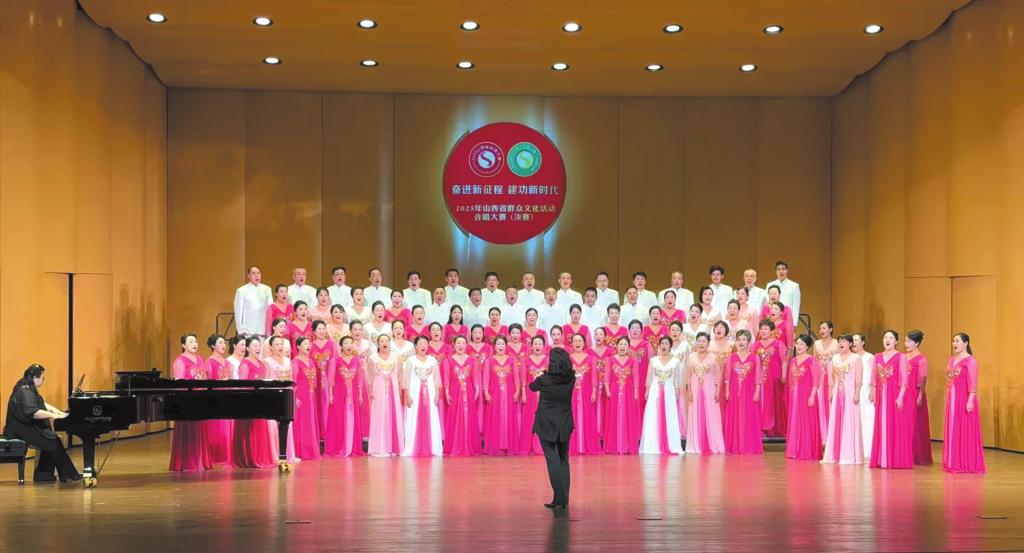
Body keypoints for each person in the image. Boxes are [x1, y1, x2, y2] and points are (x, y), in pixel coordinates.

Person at [3, 365, 81, 483]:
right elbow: (33, 413)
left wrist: (56, 411)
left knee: (49, 437)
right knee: (52, 439)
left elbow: (40, 403)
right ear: (35, 377)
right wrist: (53, 416)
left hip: (22, 425)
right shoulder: (25, 391)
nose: (44, 381)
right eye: (43, 378)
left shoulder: (26, 387)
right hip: (19, 428)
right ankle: (67, 474)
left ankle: (44, 475)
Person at [530, 347, 575, 510]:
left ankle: (559, 498)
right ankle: (564, 498)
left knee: (552, 459)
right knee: (563, 459)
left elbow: (532, 387)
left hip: (547, 423)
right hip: (565, 422)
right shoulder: (571, 378)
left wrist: (539, 375)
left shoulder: (544, 379)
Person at [870, 330, 914, 469]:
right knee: (882, 425)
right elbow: (873, 379)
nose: (887, 340)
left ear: (896, 341)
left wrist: (900, 397)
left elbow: (904, 380)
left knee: (894, 425)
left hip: (894, 395)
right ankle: (882, 458)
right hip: (881, 396)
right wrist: (873, 393)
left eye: (890, 338)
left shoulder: (901, 357)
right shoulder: (877, 357)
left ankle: (894, 458)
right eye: (885, 338)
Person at [169, 334, 214, 471]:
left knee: (200, 429)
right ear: (183, 345)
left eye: (195, 341)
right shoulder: (180, 361)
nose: (194, 344)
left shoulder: (200, 359)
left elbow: (204, 379)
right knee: (188, 430)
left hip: (199, 399)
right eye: (190, 341)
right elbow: (179, 384)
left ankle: (201, 460)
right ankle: (188, 462)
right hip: (187, 401)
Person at [943, 333, 985, 473]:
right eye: (953, 341)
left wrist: (970, 400)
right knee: (953, 429)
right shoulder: (951, 360)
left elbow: (973, 383)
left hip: (964, 398)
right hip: (952, 399)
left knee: (964, 430)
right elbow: (949, 381)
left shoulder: (971, 361)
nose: (954, 343)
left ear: (965, 343)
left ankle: (965, 462)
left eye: (957, 341)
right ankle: (953, 461)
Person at [232, 337, 276, 468]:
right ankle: (249, 458)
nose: (258, 348)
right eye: (254, 345)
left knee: (260, 428)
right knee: (249, 430)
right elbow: (243, 384)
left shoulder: (262, 364)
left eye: (259, 345)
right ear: (247, 348)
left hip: (260, 400)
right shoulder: (245, 363)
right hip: (249, 401)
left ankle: (260, 456)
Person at [822, 334, 863, 465]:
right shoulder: (834, 358)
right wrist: (830, 391)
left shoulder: (856, 358)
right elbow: (831, 378)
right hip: (836, 393)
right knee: (836, 421)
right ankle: (835, 454)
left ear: (850, 344)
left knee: (849, 421)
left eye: (844, 341)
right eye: (840, 341)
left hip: (850, 393)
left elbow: (858, 379)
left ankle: (848, 454)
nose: (841, 343)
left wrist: (857, 393)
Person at [639, 337, 684, 455]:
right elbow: (649, 377)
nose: (664, 345)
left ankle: (671, 444)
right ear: (659, 345)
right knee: (653, 415)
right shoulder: (653, 361)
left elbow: (677, 380)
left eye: (666, 344)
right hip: (655, 391)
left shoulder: (675, 361)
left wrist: (676, 394)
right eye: (662, 343)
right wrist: (647, 390)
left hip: (669, 391)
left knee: (669, 416)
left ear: (670, 346)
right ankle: (652, 445)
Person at [323, 336, 365, 458]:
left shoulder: (357, 360)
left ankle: (353, 447)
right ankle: (339, 446)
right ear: (341, 346)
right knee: (338, 419)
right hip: (339, 394)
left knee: (353, 418)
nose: (349, 345)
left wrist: (360, 393)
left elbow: (360, 378)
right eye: (346, 343)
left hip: (354, 394)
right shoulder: (335, 361)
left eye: (351, 343)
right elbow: (331, 380)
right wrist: (331, 395)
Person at [401, 336, 443, 457]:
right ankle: (412, 446)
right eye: (420, 343)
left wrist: (437, 393)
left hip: (430, 392)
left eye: (425, 343)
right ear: (415, 346)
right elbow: (406, 379)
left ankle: (433, 447)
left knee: (431, 417)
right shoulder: (411, 360)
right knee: (413, 417)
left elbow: (436, 378)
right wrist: (407, 395)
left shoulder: (432, 360)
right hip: (414, 392)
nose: (423, 346)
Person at [723, 330, 763, 455]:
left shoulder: (754, 357)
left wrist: (757, 392)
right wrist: (727, 390)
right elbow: (727, 376)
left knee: (749, 418)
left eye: (744, 339)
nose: (741, 342)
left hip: (750, 391)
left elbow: (758, 377)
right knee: (734, 417)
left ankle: (748, 445)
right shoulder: (731, 357)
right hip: (734, 391)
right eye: (739, 339)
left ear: (749, 342)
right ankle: (735, 445)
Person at [684, 333, 725, 454]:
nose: (701, 343)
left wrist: (717, 391)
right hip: (695, 390)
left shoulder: (713, 357)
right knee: (695, 414)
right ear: (696, 342)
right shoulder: (691, 357)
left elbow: (718, 377)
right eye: (699, 341)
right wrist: (689, 392)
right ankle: (696, 444)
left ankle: (713, 444)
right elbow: (687, 377)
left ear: (708, 344)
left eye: (704, 341)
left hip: (710, 390)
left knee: (711, 414)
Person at [785, 334, 823, 461]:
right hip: (794, 395)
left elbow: (816, 380)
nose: (799, 346)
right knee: (795, 421)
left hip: (807, 394)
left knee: (806, 421)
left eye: (802, 344)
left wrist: (812, 396)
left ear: (807, 346)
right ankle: (794, 450)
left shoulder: (812, 360)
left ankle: (806, 450)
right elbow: (790, 381)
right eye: (797, 343)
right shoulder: (793, 360)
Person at [366, 335, 404, 457]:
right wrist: (370, 391)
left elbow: (400, 376)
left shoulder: (396, 357)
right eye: (381, 341)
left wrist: (399, 390)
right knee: (379, 415)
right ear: (378, 344)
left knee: (393, 414)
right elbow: (369, 377)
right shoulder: (372, 358)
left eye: (386, 341)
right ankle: (379, 447)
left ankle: (394, 447)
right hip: (378, 389)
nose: (384, 343)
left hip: (393, 389)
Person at [443, 336, 480, 456]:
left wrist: (477, 388)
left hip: (469, 391)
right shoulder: (448, 361)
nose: (461, 345)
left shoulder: (471, 360)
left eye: (463, 343)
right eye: (458, 343)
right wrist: (447, 391)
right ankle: (455, 445)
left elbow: (475, 376)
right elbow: (447, 378)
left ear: (466, 345)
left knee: (469, 416)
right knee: (454, 416)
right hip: (454, 391)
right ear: (453, 345)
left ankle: (470, 445)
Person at [604, 336, 641, 454]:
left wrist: (636, 392)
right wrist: (607, 390)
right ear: (616, 346)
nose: (622, 347)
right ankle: (614, 446)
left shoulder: (633, 361)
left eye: (625, 344)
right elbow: (607, 377)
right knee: (613, 416)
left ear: (628, 347)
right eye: (620, 344)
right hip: (614, 391)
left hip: (629, 392)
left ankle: (627, 445)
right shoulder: (610, 360)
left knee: (628, 416)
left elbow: (636, 378)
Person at [483, 336, 519, 456]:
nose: (500, 346)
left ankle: (509, 446)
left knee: (509, 417)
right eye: (498, 344)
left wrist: (517, 390)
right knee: (495, 417)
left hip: (509, 392)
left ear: (506, 346)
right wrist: (486, 391)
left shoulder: (511, 360)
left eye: (502, 344)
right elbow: (486, 377)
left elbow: (516, 376)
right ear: (494, 346)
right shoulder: (489, 361)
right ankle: (496, 446)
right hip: (494, 393)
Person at [567, 333, 601, 455]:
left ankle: (588, 445)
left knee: (588, 416)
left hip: (587, 391)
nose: (577, 343)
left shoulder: (591, 359)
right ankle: (572, 446)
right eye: (575, 341)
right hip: (571, 391)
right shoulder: (568, 359)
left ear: (584, 343)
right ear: (572, 343)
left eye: (580, 341)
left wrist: (594, 391)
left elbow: (594, 376)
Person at [755, 319, 788, 438]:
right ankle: (760, 428)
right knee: (760, 402)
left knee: (775, 402)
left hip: (775, 378)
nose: (763, 331)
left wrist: (783, 376)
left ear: (772, 331)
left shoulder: (779, 344)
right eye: (761, 328)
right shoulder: (755, 345)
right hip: (760, 380)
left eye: (766, 329)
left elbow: (784, 361)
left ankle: (774, 429)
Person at [203, 334, 233, 465]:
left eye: (224, 343)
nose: (223, 345)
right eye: (220, 343)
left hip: (226, 397)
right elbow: (207, 382)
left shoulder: (228, 363)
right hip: (214, 398)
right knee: (215, 428)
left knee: (226, 428)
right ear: (213, 346)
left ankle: (226, 455)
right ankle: (214, 455)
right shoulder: (209, 362)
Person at [518, 335, 550, 455]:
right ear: (531, 346)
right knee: (530, 419)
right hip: (530, 393)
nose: (537, 346)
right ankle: (528, 446)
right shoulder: (525, 361)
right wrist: (523, 394)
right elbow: (523, 379)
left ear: (544, 346)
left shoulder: (548, 360)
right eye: (535, 344)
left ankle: (543, 446)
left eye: (540, 344)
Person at [291, 337, 322, 460]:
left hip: (311, 396)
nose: (308, 346)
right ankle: (301, 451)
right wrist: (294, 398)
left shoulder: (311, 361)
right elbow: (292, 382)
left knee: (310, 421)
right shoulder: (295, 362)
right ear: (298, 347)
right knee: (302, 422)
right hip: (301, 396)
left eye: (309, 344)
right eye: (305, 344)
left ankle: (311, 450)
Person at [905, 330, 933, 465]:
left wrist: (920, 395)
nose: (906, 343)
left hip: (915, 393)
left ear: (916, 343)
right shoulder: (903, 357)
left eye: (909, 341)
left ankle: (915, 453)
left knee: (915, 423)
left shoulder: (922, 359)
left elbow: (922, 380)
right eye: (905, 341)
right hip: (903, 393)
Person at [852, 333, 875, 462]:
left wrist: (872, 390)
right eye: (853, 340)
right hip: (855, 391)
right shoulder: (852, 357)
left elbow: (873, 376)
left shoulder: (869, 357)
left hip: (865, 391)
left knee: (866, 417)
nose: (854, 343)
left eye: (857, 340)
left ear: (863, 342)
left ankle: (867, 448)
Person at [234, 266, 273, 337]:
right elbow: (238, 312)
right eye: (254, 273)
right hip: (247, 331)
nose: (256, 276)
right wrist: (240, 330)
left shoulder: (267, 289)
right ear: (248, 276)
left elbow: (270, 310)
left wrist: (269, 329)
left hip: (263, 330)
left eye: (258, 273)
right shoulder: (241, 290)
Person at [766, 260, 801, 328]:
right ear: (776, 271)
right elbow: (768, 303)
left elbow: (796, 307)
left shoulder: (794, 286)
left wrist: (794, 324)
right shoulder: (769, 285)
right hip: (772, 319)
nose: (781, 271)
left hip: (787, 319)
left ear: (787, 271)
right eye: (778, 269)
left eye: (783, 269)